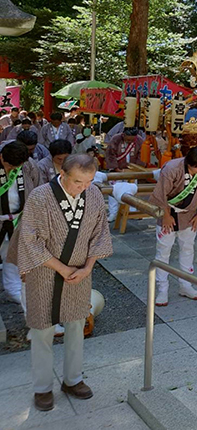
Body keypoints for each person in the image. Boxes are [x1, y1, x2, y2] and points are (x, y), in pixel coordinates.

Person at [12, 153, 113, 412]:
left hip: (80, 272)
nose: (84, 187)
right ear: (62, 173)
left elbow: (100, 234)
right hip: (44, 272)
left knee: (77, 324)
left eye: (89, 181)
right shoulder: (40, 197)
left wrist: (87, 267)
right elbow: (30, 240)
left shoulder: (93, 195)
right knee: (42, 329)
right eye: (78, 181)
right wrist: (62, 268)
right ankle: (42, 388)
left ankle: (73, 379)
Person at [149, 146, 197, 306]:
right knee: (163, 251)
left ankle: (186, 285)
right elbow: (162, 193)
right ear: (189, 161)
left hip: (190, 214)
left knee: (188, 248)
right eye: (195, 167)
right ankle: (162, 289)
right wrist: (165, 215)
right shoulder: (172, 168)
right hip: (167, 211)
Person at [0, 140, 43, 304]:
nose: (11, 169)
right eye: (9, 166)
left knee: (12, 255)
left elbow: (38, 187)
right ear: (2, 157)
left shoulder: (28, 164)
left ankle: (13, 290)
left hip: (20, 217)